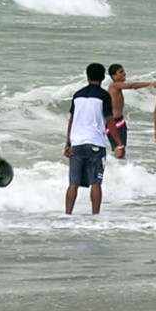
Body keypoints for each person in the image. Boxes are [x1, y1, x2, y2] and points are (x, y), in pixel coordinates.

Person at [65, 62, 112, 216]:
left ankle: (67, 214)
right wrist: (118, 143)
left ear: (87, 76)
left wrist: (68, 143)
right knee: (96, 183)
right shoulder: (104, 95)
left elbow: (72, 120)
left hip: (77, 142)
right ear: (103, 77)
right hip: (95, 143)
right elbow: (109, 120)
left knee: (73, 183)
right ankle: (95, 215)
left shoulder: (77, 95)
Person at [104, 63, 141, 161]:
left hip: (119, 121)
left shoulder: (116, 87)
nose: (124, 74)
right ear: (113, 76)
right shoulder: (115, 85)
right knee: (119, 151)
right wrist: (150, 84)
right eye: (121, 72)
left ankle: (117, 169)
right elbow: (132, 86)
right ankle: (115, 170)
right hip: (114, 122)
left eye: (123, 71)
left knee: (120, 151)